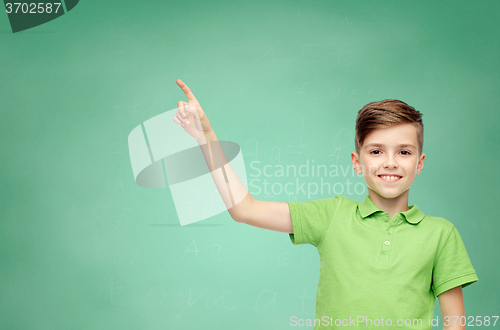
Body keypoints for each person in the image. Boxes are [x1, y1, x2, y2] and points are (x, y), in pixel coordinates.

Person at [172, 79, 478, 330]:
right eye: (376, 151)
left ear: (420, 163)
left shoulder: (441, 235)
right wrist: (205, 136)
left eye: (404, 152)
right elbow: (244, 209)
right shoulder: (332, 215)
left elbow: (455, 326)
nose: (390, 162)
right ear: (356, 162)